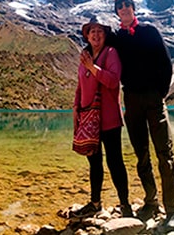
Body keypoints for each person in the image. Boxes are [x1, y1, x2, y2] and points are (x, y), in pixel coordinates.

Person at [110, 0, 174, 232]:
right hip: (131, 100)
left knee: (164, 154)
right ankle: (151, 201)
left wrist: (160, 93)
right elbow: (96, 42)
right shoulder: (117, 38)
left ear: (133, 8)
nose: (124, 8)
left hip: (153, 98)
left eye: (127, 4)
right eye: (120, 6)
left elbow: (165, 63)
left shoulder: (150, 31)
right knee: (141, 155)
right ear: (117, 12)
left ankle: (172, 210)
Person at [71, 17, 132, 218]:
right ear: (87, 36)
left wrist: (92, 68)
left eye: (100, 31)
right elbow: (80, 86)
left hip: (109, 120)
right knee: (94, 163)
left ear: (105, 35)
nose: (96, 35)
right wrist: (76, 109)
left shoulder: (111, 53)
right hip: (88, 119)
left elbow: (114, 81)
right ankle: (95, 203)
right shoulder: (85, 56)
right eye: (92, 32)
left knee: (115, 162)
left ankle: (125, 205)